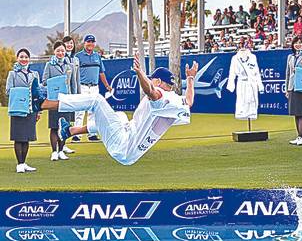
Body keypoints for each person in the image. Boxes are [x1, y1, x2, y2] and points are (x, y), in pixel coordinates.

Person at [32, 53, 198, 166]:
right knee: (119, 116)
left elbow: (151, 92)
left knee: (96, 100)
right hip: (129, 148)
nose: (150, 80)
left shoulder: (161, 96)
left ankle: (43, 103)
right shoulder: (177, 101)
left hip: (123, 144)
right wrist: (190, 78)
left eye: (152, 78)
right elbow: (189, 101)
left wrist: (140, 73)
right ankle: (70, 131)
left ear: (158, 82)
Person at [5, 48, 41, 173]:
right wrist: (23, 93)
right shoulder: (12, 74)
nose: (24, 59)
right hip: (17, 108)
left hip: (31, 109)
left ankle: (24, 162)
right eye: (21, 57)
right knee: (18, 136)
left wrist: (38, 111)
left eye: (26, 57)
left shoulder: (34, 74)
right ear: (17, 58)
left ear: (29, 59)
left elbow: (38, 93)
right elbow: (8, 91)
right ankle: (19, 164)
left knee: (26, 137)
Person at [42, 41, 79, 162]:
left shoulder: (70, 65)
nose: (60, 53)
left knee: (64, 126)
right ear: (54, 52)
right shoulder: (49, 65)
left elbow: (73, 83)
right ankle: (54, 152)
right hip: (54, 100)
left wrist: (74, 97)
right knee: (54, 127)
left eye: (62, 51)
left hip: (67, 100)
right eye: (58, 51)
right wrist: (54, 84)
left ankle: (61, 151)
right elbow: (44, 82)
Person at [75, 34, 113, 142]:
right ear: (84, 43)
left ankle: (91, 134)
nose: (90, 44)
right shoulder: (78, 56)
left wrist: (106, 85)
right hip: (82, 86)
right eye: (88, 42)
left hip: (94, 87)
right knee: (80, 110)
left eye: (92, 42)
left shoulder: (97, 56)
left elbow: (101, 72)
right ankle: (77, 135)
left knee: (93, 111)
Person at [62, 35, 80, 149]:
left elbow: (77, 78)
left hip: (73, 94)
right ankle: (61, 145)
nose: (69, 45)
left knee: (69, 119)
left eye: (71, 43)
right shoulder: (61, 58)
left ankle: (64, 144)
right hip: (64, 93)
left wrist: (78, 93)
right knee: (62, 119)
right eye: (67, 43)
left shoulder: (76, 59)